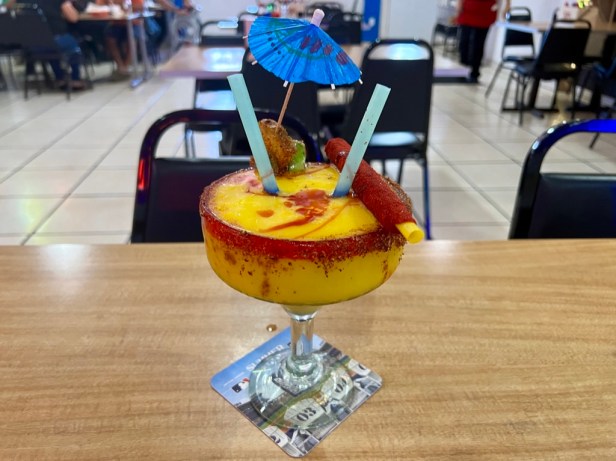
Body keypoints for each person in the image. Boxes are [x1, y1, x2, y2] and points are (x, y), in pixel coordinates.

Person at [455, 0, 510, 83]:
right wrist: (459, 5)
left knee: (478, 45)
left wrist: (507, 6)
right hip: (467, 10)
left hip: (485, 12)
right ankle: (464, 69)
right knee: (464, 43)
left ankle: (474, 73)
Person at [36, 0, 86, 89]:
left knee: (51, 46)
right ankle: (75, 79)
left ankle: (59, 77)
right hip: (57, 40)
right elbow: (73, 18)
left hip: (34, 45)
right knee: (71, 43)